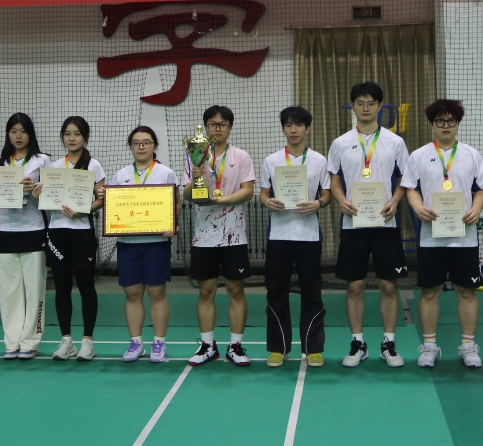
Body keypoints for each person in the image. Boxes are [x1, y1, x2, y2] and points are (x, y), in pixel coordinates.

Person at [327, 81, 410, 368]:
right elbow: (334, 179)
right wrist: (341, 200)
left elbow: (405, 179)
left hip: (385, 223)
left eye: (371, 103)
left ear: (379, 106)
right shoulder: (340, 143)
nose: (365, 108)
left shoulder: (395, 142)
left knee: (389, 285)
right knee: (355, 285)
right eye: (360, 103)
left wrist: (395, 201)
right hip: (353, 224)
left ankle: (389, 344)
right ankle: (358, 344)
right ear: (353, 106)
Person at [402, 100, 483, 368]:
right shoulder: (418, 156)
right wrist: (418, 207)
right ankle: (429, 346)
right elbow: (410, 188)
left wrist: (476, 209)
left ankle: (468, 346)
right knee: (429, 292)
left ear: (458, 123)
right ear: (432, 124)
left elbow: (481, 189)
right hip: (431, 238)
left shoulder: (472, 155)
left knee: (467, 291)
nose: (446, 125)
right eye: (440, 121)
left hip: (465, 237)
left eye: (451, 120)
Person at [258, 106, 330, 368]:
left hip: (309, 236)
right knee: (277, 291)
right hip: (279, 235)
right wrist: (268, 202)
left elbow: (327, 195)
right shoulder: (271, 160)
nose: (293, 130)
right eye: (288, 125)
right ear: (283, 129)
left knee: (312, 292)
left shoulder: (319, 161)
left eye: (298, 125)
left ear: (307, 128)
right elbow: (263, 193)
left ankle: (313, 349)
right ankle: (278, 349)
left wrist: (318, 204)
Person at [184, 105, 256, 366]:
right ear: (205, 127)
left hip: (234, 235)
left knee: (236, 290)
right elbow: (186, 194)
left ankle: (235, 346)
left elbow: (248, 190)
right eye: (213, 124)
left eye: (223, 124)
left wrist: (224, 200)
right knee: (206, 290)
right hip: (203, 236)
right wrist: (195, 177)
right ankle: (207, 345)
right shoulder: (194, 153)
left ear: (229, 128)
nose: (218, 129)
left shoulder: (241, 156)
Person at [35, 116, 106, 362]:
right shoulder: (54, 166)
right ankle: (66, 341)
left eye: (76, 134)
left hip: (82, 232)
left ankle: (87, 342)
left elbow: (101, 198)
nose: (72, 138)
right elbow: (46, 200)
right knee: (62, 287)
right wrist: (37, 194)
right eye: (67, 134)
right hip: (57, 231)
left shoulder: (94, 165)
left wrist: (84, 210)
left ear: (85, 136)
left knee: (86, 285)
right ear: (62, 137)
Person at [0, 113, 51, 360]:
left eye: (23, 131)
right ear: (8, 134)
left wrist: (34, 190)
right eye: (13, 131)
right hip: (5, 231)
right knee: (9, 292)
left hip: (33, 230)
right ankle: (12, 341)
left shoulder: (43, 161)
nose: (18, 136)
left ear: (30, 134)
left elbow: (51, 198)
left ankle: (30, 341)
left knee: (34, 291)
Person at [108, 126, 179, 363]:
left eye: (146, 142)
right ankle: (136, 342)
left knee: (157, 293)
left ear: (154, 146)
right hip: (127, 243)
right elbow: (114, 208)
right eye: (136, 143)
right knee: (132, 294)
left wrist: (171, 223)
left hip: (156, 243)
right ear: (130, 146)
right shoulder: (120, 175)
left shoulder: (166, 173)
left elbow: (176, 205)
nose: (141, 146)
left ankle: (159, 342)